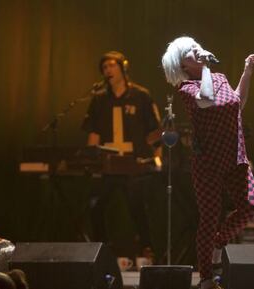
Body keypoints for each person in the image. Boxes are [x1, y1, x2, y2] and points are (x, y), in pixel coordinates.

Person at [162, 36, 254, 289]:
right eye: (189, 52)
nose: (196, 51)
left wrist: (247, 71)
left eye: (195, 47)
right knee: (209, 217)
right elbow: (206, 100)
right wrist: (206, 68)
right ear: (183, 65)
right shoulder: (186, 89)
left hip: (235, 156)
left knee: (251, 206)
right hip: (207, 161)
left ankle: (219, 241)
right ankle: (206, 278)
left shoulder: (219, 77)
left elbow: (238, 102)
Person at [82, 51, 162, 260]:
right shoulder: (99, 99)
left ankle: (147, 248)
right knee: (95, 204)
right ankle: (101, 250)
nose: (108, 70)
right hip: (107, 164)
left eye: (111, 65)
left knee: (138, 206)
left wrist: (158, 158)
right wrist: (91, 160)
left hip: (133, 164)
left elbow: (154, 130)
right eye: (104, 67)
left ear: (123, 68)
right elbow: (93, 133)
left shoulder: (140, 96)